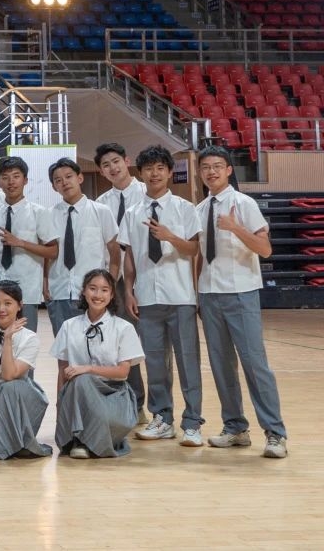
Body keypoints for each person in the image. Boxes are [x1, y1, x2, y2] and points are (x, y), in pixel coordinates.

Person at [194, 146, 287, 458]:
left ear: (229, 170)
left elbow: (265, 249)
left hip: (241, 293)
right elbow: (201, 256)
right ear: (200, 172)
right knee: (221, 366)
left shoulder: (244, 204)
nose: (211, 172)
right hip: (209, 295)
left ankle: (275, 433)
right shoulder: (200, 209)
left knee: (255, 365)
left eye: (217, 166)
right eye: (205, 167)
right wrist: (197, 293)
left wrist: (235, 228)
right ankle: (235, 428)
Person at [121, 145, 204, 447]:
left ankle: (192, 423)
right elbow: (130, 255)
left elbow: (194, 250)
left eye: (160, 168)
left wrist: (170, 236)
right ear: (140, 173)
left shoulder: (185, 208)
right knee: (155, 363)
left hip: (180, 296)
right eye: (148, 169)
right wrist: (128, 290)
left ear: (169, 172)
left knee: (188, 362)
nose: (154, 174)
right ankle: (162, 418)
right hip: (146, 297)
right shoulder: (132, 213)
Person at [51, 269, 144, 459]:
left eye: (104, 290)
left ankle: (85, 439)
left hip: (114, 394)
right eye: (92, 288)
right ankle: (81, 440)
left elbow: (123, 373)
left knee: (83, 378)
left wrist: (88, 368)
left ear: (112, 295)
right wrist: (60, 406)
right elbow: (62, 371)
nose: (98, 295)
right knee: (81, 381)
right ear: (84, 291)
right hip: (76, 396)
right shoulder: (69, 326)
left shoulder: (124, 328)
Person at [0, 280, 51, 460]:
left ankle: (10, 442)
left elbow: (9, 375)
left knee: (8, 388)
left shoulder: (30, 338)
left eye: (8, 303)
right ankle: (6, 442)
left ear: (19, 305)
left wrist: (8, 339)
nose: (1, 309)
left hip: (17, 395)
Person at [94, 141, 149, 421]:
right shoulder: (101, 204)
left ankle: (161, 411)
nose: (112, 168)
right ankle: (134, 405)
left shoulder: (147, 193)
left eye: (116, 161)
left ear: (127, 161)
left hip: (146, 277)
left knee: (152, 347)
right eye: (106, 165)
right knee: (120, 345)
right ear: (101, 172)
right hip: (113, 281)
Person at [45, 158, 120, 336]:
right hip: (59, 292)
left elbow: (115, 254)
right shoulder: (48, 215)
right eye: (58, 180)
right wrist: (45, 283)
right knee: (64, 347)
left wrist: (110, 285)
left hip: (93, 295)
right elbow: (46, 255)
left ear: (79, 178)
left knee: (96, 345)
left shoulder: (101, 211)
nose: (64, 182)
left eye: (68, 176)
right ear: (54, 187)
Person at [0, 157, 57, 328]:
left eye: (16, 176)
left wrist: (21, 243)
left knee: (25, 339)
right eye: (5, 177)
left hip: (26, 289)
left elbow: (53, 251)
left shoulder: (39, 212)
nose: (11, 182)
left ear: (25, 180)